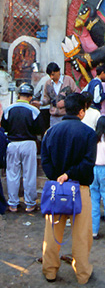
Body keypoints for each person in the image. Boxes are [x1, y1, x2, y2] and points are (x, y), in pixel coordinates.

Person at [41, 93, 97, 284]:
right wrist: (70, 174)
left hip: (56, 188)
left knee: (52, 233)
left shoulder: (51, 132)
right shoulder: (89, 133)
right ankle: (82, 274)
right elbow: (88, 163)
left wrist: (58, 177)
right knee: (82, 235)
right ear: (81, 112)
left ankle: (49, 271)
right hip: (79, 188)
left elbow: (46, 161)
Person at [1, 83, 43, 212]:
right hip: (29, 143)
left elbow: (4, 127)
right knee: (29, 174)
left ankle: (13, 204)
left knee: (12, 174)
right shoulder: (35, 111)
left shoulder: (8, 109)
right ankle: (30, 203)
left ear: (19, 95)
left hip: (12, 143)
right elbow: (40, 130)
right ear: (30, 97)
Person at [33, 62, 78, 127]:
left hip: (66, 115)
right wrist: (40, 103)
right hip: (53, 116)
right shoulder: (48, 83)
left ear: (58, 71)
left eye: (53, 74)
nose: (51, 77)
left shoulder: (68, 81)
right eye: (50, 75)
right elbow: (47, 98)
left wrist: (66, 102)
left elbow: (75, 96)